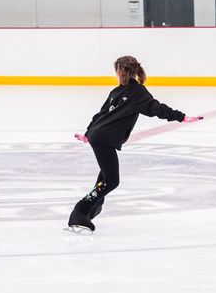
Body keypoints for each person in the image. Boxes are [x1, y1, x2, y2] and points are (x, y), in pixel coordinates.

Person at [67, 56, 203, 233]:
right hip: (104, 139)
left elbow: (100, 115)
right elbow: (157, 108)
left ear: (118, 72)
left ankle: (92, 208)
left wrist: (88, 133)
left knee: (105, 177)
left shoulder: (118, 91)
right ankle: (80, 211)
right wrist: (182, 117)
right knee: (112, 181)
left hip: (99, 136)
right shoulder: (137, 93)